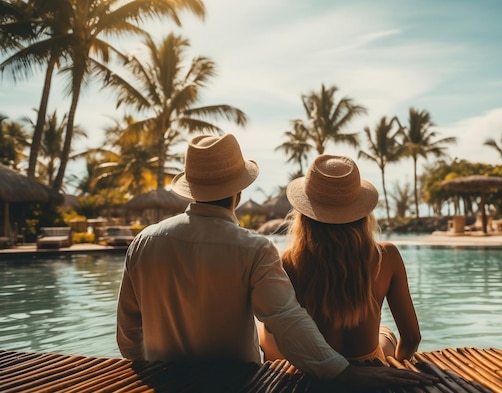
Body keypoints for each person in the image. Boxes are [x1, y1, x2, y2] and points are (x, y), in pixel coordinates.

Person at [116, 134, 433, 389]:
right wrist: (347, 374)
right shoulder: (253, 249)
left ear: (190, 188)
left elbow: (129, 335)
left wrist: (154, 377)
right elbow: (287, 321)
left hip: (164, 381)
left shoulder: (144, 243)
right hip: (237, 383)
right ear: (238, 191)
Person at [259, 154, 422, 364]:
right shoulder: (386, 257)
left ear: (305, 214)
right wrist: (395, 369)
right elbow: (411, 338)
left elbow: (278, 331)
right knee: (386, 334)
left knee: (265, 331)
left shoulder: (289, 263)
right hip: (369, 366)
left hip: (318, 371)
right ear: (362, 212)